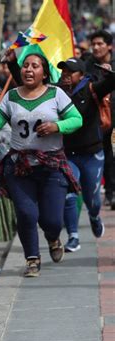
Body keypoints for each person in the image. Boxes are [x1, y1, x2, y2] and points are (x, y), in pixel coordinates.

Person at [0, 54, 83, 277]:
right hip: (20, 166)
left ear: (44, 74)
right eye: (25, 65)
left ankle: (53, 237)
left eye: (35, 66)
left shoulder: (56, 94)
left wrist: (57, 126)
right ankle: (32, 259)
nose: (28, 70)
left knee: (52, 220)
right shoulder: (11, 97)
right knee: (26, 214)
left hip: (51, 165)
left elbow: (77, 119)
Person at [57, 57, 115, 251]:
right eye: (63, 72)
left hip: (92, 154)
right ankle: (73, 236)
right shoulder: (56, 92)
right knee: (68, 192)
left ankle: (94, 216)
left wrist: (109, 73)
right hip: (68, 154)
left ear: (81, 75)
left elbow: (111, 83)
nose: (65, 76)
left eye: (69, 72)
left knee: (93, 199)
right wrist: (14, 65)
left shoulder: (92, 89)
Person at [85, 30, 115, 209]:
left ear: (109, 46)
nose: (96, 47)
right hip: (99, 120)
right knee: (106, 156)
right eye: (93, 44)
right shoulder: (87, 66)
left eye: (100, 44)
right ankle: (109, 194)